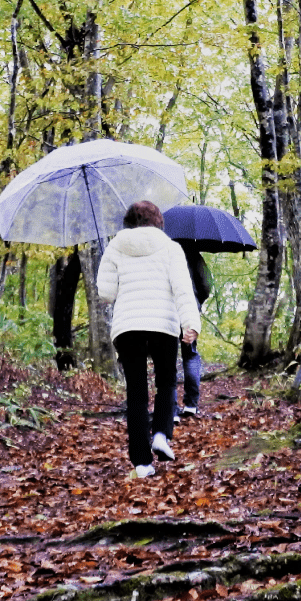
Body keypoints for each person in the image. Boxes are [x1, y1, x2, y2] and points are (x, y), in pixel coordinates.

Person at [96, 200, 200, 478]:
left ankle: (141, 463)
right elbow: (182, 289)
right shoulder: (171, 247)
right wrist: (191, 324)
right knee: (166, 382)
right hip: (162, 325)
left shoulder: (115, 245)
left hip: (128, 326)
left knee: (137, 394)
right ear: (158, 222)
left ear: (129, 221)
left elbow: (105, 293)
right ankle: (161, 435)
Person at [177, 243, 211, 419]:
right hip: (189, 308)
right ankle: (190, 404)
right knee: (190, 354)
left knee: (167, 357)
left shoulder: (162, 250)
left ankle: (171, 408)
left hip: (167, 311)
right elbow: (206, 283)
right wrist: (198, 300)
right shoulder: (192, 254)